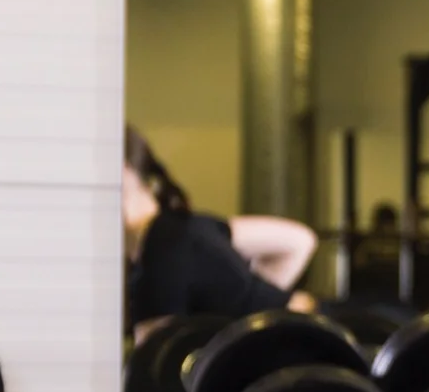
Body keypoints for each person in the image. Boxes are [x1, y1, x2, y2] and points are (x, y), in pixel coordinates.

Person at [123, 126, 321, 343]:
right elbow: (300, 240)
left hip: (303, 343)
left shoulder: (160, 250)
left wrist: (252, 306)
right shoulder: (187, 227)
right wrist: (247, 301)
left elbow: (152, 356)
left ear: (124, 172)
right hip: (300, 330)